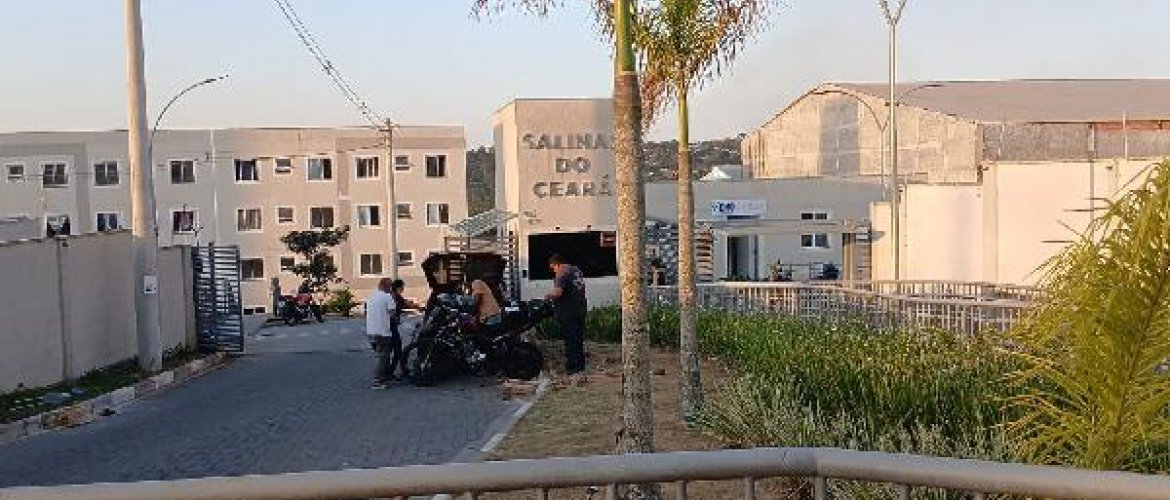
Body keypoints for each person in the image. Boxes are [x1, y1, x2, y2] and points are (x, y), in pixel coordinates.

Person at [365, 278, 416, 388]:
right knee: (384, 357)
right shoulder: (388, 297)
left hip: (370, 332)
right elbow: (392, 314)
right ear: (388, 287)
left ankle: (385, 376)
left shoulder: (371, 296)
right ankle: (378, 381)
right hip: (383, 332)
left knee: (383, 356)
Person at [544, 254, 588, 374]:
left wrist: (546, 296)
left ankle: (572, 368)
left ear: (558, 264)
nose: (554, 270)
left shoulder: (562, 273)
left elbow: (558, 293)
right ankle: (580, 365)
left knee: (570, 341)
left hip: (568, 312)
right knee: (578, 339)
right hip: (580, 309)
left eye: (553, 267)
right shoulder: (576, 270)